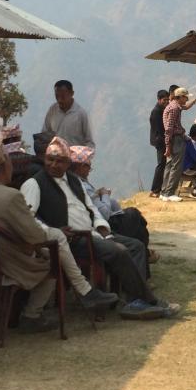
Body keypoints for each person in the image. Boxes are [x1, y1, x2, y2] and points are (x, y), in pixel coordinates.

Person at [0, 141, 118, 331]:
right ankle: (34, 314)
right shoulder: (10, 196)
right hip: (9, 262)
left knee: (55, 239)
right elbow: (35, 237)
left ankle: (83, 290)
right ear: (3, 167)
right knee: (53, 255)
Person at [22, 137, 173, 319]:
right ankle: (148, 300)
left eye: (59, 161)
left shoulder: (74, 181)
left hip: (94, 234)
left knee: (137, 246)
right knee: (119, 250)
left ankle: (135, 301)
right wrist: (54, 231)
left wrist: (102, 226)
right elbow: (28, 218)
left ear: (68, 163)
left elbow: (91, 208)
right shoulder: (34, 184)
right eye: (50, 159)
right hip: (72, 241)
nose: (53, 164)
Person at [69, 145, 154, 252]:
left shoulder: (77, 182)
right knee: (134, 215)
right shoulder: (82, 185)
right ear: (80, 167)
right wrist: (104, 195)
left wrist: (98, 195)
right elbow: (104, 213)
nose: (89, 170)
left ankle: (143, 251)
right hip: (105, 223)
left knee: (136, 218)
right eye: (88, 167)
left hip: (103, 220)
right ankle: (144, 252)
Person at [158, 87, 190, 202]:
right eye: (185, 97)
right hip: (176, 139)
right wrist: (168, 145)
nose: (186, 99)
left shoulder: (171, 106)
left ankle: (164, 192)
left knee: (169, 165)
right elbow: (169, 128)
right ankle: (170, 193)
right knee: (176, 167)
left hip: (173, 139)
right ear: (180, 97)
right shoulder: (175, 108)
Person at [40, 79, 94, 148]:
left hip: (74, 154)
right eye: (57, 96)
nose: (59, 100)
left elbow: (90, 142)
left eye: (63, 96)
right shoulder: (52, 110)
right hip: (54, 153)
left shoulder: (81, 114)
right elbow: (44, 134)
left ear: (72, 93)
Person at [148, 89, 169, 197]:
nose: (166, 102)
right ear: (159, 99)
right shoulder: (157, 111)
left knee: (163, 164)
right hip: (160, 141)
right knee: (161, 165)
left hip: (161, 140)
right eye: (164, 100)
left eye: (167, 99)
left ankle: (158, 189)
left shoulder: (161, 110)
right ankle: (155, 190)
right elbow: (159, 129)